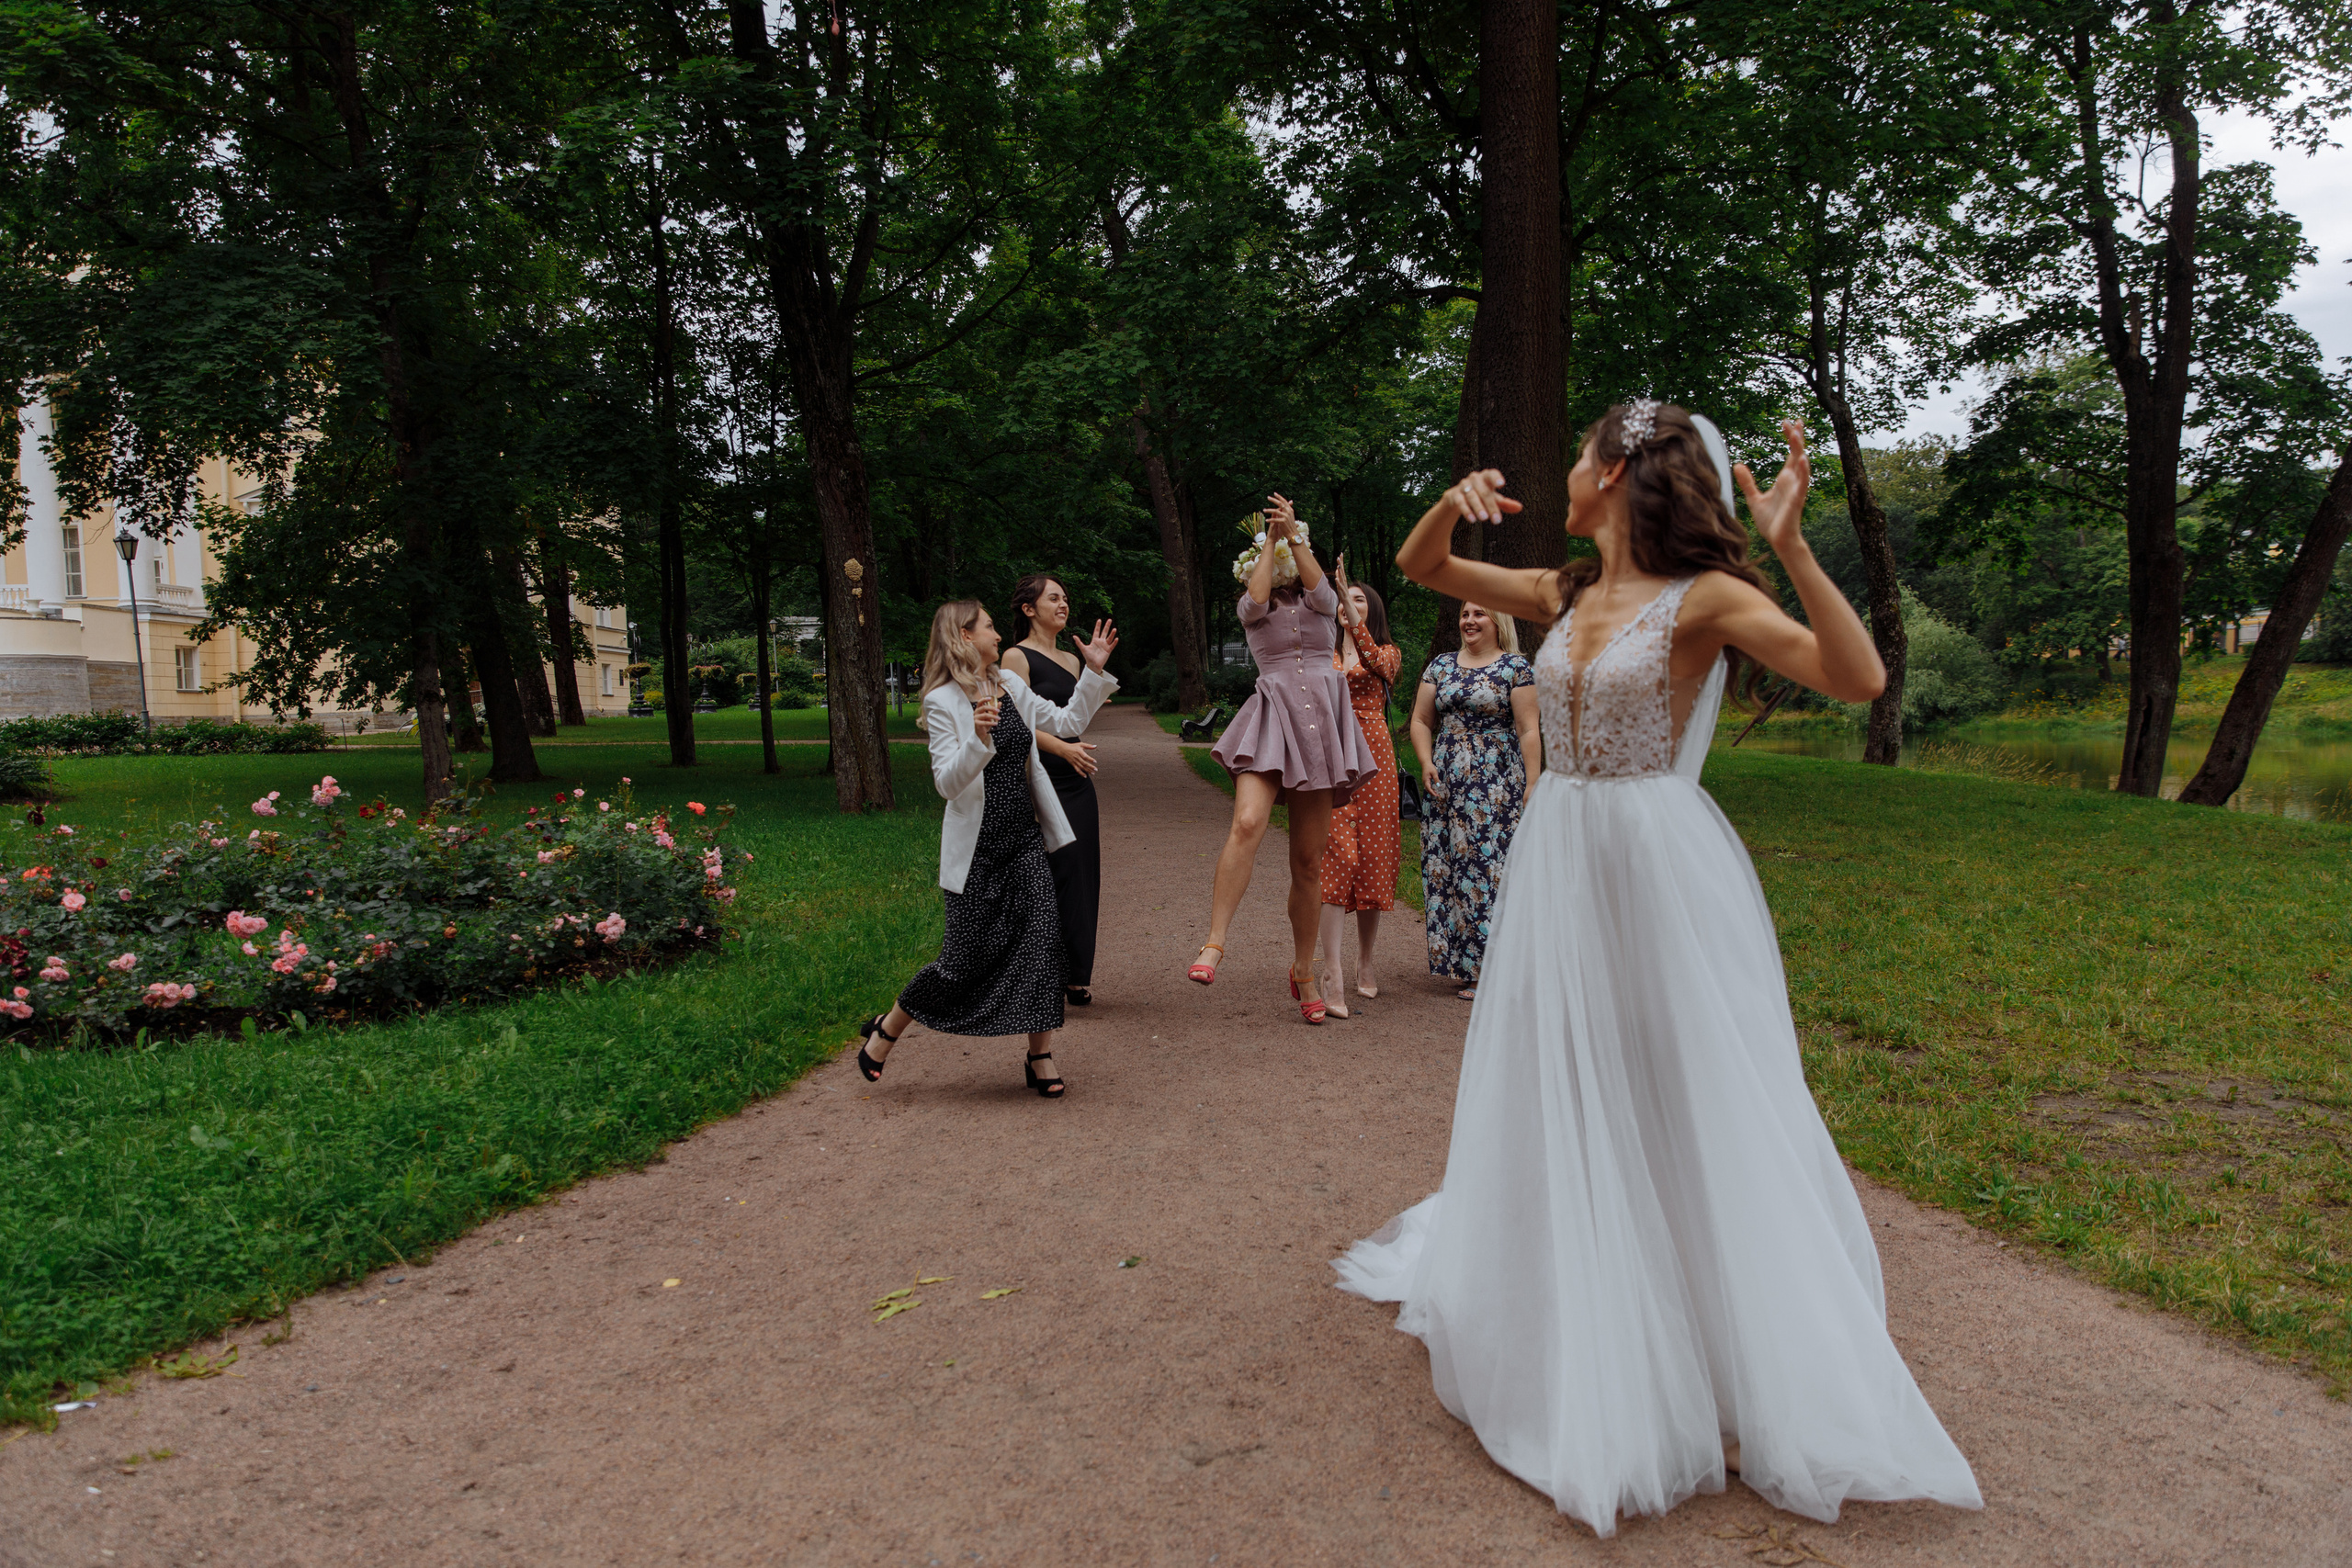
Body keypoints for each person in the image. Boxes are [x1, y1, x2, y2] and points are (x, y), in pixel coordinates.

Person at [1333, 403, 1981, 1536]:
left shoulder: (1706, 602)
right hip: (1561, 863)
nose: (1566, 474)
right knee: (1565, 1075)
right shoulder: (1563, 593)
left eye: (1580, 456)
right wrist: (1451, 500)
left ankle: (1715, 1334)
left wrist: (1785, 543)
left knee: (1682, 1084)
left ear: (1620, 472)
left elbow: (1859, 676)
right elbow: (1422, 564)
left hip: (1657, 866)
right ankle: (1586, 1304)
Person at [857, 600, 1118, 1099]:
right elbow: (948, 786)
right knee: (960, 961)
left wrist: (1093, 672)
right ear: (963, 636)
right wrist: (978, 738)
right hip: (977, 848)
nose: (1000, 635)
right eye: (991, 627)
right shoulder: (941, 702)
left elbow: (1065, 723)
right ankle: (885, 1032)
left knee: (1044, 942)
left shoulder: (1009, 686)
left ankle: (1039, 1055)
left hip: (1022, 839)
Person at [1189, 493, 1377, 1024]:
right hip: (1272, 716)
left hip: (1320, 723)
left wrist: (1294, 533)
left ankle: (1303, 971)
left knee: (1308, 862)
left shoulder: (1322, 603)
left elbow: (1321, 589)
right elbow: (1253, 598)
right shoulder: (1254, 606)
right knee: (1248, 821)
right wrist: (1269, 542)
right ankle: (1215, 943)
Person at [1409, 600, 1540, 1000]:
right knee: (1451, 867)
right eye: (1465, 614)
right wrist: (1427, 760)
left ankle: (1496, 966)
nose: (1469, 620)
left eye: (1479, 613)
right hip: (1447, 781)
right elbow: (1420, 720)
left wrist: (1533, 781)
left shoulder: (1516, 668)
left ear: (1498, 621)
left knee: (1491, 868)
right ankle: (1466, 965)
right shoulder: (1441, 665)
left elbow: (1528, 728)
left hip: (1497, 782)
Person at [1001, 573, 1109, 1008]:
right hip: (1038, 773)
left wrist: (1094, 669)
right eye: (1053, 598)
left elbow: (1075, 722)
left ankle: (1075, 974)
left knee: (1081, 875)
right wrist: (1062, 750)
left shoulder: (1069, 659)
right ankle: (1037, 970)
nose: (1063, 604)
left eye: (1066, 598)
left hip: (1075, 775)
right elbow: (1015, 723)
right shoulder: (1014, 656)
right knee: (1050, 875)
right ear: (1029, 609)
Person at [1314, 558, 1403, 1019]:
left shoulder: (1386, 652)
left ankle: (1366, 960)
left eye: (1360, 599)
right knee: (1338, 856)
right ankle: (1332, 970)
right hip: (1331, 755)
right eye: (1347, 599)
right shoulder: (1322, 653)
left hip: (1374, 755)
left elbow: (1372, 662)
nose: (1351, 604)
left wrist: (1346, 591)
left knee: (1372, 857)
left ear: (1373, 611)